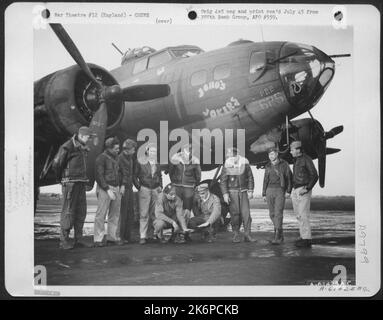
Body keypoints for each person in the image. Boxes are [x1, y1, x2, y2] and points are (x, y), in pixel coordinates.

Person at [52, 126, 91, 250]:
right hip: (70, 183)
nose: (89, 139)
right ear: (81, 135)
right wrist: (61, 179)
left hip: (80, 182)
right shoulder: (68, 146)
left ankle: (78, 239)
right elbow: (57, 163)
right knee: (68, 211)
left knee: (81, 212)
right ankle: (64, 241)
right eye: (88, 137)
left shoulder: (83, 147)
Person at [220, 147, 255, 243]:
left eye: (231, 156)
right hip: (232, 192)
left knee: (246, 214)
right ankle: (236, 234)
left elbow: (250, 177)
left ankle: (247, 235)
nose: (229, 158)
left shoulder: (244, 163)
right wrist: (225, 194)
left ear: (236, 156)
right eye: (228, 156)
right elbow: (223, 181)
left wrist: (251, 190)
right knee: (235, 215)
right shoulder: (227, 165)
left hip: (243, 192)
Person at [94, 137, 124, 247]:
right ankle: (98, 239)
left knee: (115, 214)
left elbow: (120, 173)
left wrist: (122, 185)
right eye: (116, 148)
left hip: (116, 188)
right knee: (101, 214)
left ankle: (112, 237)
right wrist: (107, 189)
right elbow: (98, 175)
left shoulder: (116, 158)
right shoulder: (101, 158)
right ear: (110, 148)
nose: (118, 150)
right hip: (105, 188)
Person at [169, 143, 201, 239]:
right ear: (182, 150)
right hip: (177, 186)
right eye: (186, 149)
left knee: (187, 210)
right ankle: (174, 233)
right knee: (175, 210)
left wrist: (193, 184)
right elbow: (171, 171)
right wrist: (174, 182)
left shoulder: (195, 160)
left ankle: (186, 233)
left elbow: (198, 175)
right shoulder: (175, 158)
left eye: (190, 150)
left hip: (189, 187)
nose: (188, 151)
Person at [290, 140, 319, 248]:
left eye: (292, 150)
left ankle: (307, 239)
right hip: (296, 189)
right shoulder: (297, 160)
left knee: (303, 215)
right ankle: (303, 237)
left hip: (303, 189)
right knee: (298, 215)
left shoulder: (306, 159)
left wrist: (307, 188)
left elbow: (315, 175)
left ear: (298, 150)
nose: (290, 152)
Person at [262, 146, 293, 245]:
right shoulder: (267, 166)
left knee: (278, 213)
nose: (271, 156)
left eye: (272, 154)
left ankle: (277, 236)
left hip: (280, 190)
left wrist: (288, 191)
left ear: (277, 154)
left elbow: (289, 177)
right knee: (272, 214)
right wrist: (263, 193)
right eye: (269, 154)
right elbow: (265, 180)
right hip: (269, 190)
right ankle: (280, 233)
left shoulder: (284, 164)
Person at [134, 144, 163, 244]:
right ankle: (143, 236)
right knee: (144, 213)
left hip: (155, 189)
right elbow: (134, 176)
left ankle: (156, 235)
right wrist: (139, 187)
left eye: (155, 151)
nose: (153, 153)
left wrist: (161, 186)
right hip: (145, 189)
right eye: (151, 151)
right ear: (147, 151)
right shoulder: (140, 161)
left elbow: (159, 176)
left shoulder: (157, 163)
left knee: (155, 213)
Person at [118, 138, 137, 244]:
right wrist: (123, 185)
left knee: (130, 212)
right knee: (123, 212)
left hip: (129, 187)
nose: (134, 151)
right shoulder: (120, 158)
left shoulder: (130, 158)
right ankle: (121, 236)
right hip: (124, 187)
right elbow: (123, 173)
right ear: (128, 149)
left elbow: (130, 174)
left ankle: (127, 236)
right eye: (133, 149)